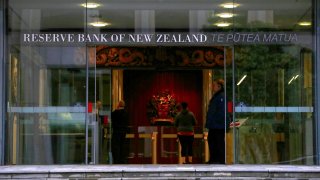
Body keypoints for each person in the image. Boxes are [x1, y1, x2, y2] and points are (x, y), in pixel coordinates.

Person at [205, 78, 226, 164]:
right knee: (212, 141)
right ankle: (214, 159)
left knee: (217, 142)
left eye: (214, 85)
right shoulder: (217, 96)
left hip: (217, 125)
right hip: (214, 124)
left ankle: (218, 160)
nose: (212, 87)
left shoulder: (220, 97)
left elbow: (219, 112)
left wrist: (214, 121)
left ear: (219, 86)